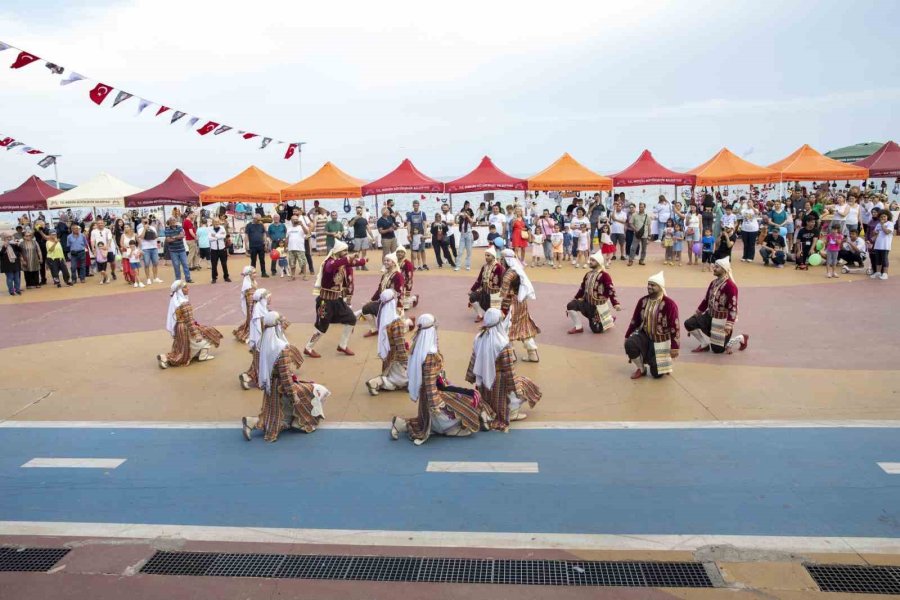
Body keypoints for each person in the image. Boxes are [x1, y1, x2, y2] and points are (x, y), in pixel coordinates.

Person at [391, 314, 490, 444]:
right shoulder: (430, 355)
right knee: (465, 404)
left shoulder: (419, 346)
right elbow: (430, 383)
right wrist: (436, 404)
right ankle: (449, 428)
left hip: (427, 394)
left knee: (427, 419)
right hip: (434, 396)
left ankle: (401, 424)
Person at [241, 311, 330, 442]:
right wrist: (293, 394)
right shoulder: (281, 347)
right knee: (314, 390)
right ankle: (299, 423)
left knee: (274, 414)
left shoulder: (262, 343)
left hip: (270, 385)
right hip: (281, 386)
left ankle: (253, 421)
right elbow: (285, 374)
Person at [465, 308, 542, 430]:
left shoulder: (478, 338)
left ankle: (488, 410)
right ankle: (512, 411)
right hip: (500, 381)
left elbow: (473, 360)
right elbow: (509, 370)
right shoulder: (502, 343)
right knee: (526, 384)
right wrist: (516, 388)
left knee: (493, 392)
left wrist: (470, 376)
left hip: (482, 381)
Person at [304, 241, 366, 358]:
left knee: (351, 319)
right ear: (337, 252)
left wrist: (362, 261)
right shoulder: (329, 263)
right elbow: (332, 266)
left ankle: (342, 345)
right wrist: (348, 259)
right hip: (325, 302)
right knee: (322, 327)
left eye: (347, 251)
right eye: (344, 251)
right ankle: (308, 347)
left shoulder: (341, 262)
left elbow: (351, 262)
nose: (346, 253)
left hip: (337, 300)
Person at [685, 258, 749, 355]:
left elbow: (733, 307)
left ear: (724, 269)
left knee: (717, 350)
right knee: (689, 323)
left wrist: (729, 324)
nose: (714, 268)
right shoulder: (713, 283)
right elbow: (706, 300)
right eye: (714, 266)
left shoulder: (731, 286)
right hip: (709, 316)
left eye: (717, 267)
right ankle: (704, 344)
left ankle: (741, 338)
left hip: (721, 321)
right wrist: (696, 313)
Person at [624, 272, 680, 380]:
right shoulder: (643, 301)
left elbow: (675, 326)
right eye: (648, 284)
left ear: (660, 287)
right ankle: (641, 368)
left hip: (661, 341)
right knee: (630, 344)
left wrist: (675, 347)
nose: (649, 287)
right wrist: (627, 336)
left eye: (653, 285)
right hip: (645, 336)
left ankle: (665, 361)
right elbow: (634, 320)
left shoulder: (669, 304)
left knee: (656, 374)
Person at [157, 280, 222, 369]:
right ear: (180, 290)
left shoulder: (176, 301)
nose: (188, 288)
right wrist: (197, 334)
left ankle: (165, 357)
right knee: (208, 335)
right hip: (185, 328)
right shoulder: (185, 303)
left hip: (178, 327)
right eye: (185, 287)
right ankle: (167, 358)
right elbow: (190, 321)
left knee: (181, 348)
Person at [499, 248, 541, 362]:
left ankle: (510, 355)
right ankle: (532, 354)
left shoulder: (509, 273)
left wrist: (500, 305)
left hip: (512, 303)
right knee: (524, 327)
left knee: (507, 327)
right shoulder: (517, 270)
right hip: (521, 302)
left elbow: (504, 292)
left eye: (501, 258)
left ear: (506, 260)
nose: (500, 260)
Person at [365, 289, 410, 395]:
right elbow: (400, 343)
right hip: (396, 358)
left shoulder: (383, 318)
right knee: (404, 381)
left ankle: (381, 380)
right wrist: (405, 361)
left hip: (388, 356)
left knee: (397, 378)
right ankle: (374, 383)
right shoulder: (396, 322)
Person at [566, 251, 621, 334]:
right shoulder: (588, 274)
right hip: (586, 303)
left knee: (597, 330)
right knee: (570, 305)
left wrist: (615, 303)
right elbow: (582, 288)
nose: (590, 262)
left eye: (593, 261)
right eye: (590, 260)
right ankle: (578, 327)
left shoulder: (605, 275)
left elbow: (610, 290)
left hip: (597, 308)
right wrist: (575, 299)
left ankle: (608, 318)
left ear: (598, 262)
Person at [357, 253, 405, 337]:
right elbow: (379, 290)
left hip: (392, 306)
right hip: (382, 304)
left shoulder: (398, 276)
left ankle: (409, 323)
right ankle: (374, 329)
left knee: (395, 330)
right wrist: (371, 300)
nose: (385, 262)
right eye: (385, 260)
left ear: (394, 263)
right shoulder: (385, 275)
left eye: (388, 261)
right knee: (366, 308)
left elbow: (400, 293)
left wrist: (399, 307)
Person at [468, 247, 504, 322]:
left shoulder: (499, 267)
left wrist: (503, 293)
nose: (486, 257)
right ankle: (480, 315)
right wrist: (472, 290)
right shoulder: (484, 267)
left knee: (495, 317)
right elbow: (479, 280)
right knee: (472, 297)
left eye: (488, 255)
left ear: (493, 256)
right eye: (485, 255)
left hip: (495, 293)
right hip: (484, 292)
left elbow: (503, 281)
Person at [233, 266, 258, 343]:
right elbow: (250, 300)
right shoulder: (248, 286)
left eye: (255, 272)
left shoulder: (252, 282)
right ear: (249, 275)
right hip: (252, 306)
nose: (255, 274)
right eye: (254, 273)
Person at [163, 217, 191, 283]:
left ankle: (188, 278)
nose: (173, 222)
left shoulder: (180, 227)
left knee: (185, 264)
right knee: (176, 265)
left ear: (175, 221)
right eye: (171, 221)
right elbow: (168, 240)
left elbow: (182, 236)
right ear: (169, 222)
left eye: (174, 220)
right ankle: (178, 279)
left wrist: (173, 237)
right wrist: (177, 237)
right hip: (173, 251)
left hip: (181, 250)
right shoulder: (167, 230)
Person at [137, 218, 162, 285]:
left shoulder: (153, 228)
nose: (146, 222)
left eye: (147, 221)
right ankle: (148, 279)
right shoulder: (140, 229)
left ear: (148, 221)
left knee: (155, 263)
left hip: (154, 247)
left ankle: (155, 278)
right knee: (147, 264)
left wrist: (152, 232)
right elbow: (141, 237)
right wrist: (145, 229)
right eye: (144, 221)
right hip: (145, 248)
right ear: (142, 222)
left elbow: (156, 236)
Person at [284, 214, 310, 281]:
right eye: (294, 219)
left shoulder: (301, 227)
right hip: (291, 249)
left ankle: (305, 275)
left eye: (296, 219)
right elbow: (287, 238)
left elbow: (307, 232)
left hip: (300, 248)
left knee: (303, 263)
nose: (295, 220)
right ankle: (293, 276)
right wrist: (285, 247)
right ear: (291, 221)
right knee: (292, 263)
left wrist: (302, 225)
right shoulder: (289, 228)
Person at [870, 209, 894, 280]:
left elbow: (887, 232)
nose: (883, 218)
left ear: (888, 216)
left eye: (884, 216)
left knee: (884, 259)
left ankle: (885, 273)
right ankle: (878, 272)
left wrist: (882, 225)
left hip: (885, 245)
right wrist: (874, 232)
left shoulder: (890, 223)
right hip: (878, 245)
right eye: (881, 217)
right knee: (878, 259)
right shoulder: (878, 224)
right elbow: (874, 233)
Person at [244, 213, 268, 278]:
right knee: (253, 260)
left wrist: (265, 243)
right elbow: (246, 236)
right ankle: (252, 273)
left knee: (262, 260)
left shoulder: (261, 225)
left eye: (259, 219)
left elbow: (264, 234)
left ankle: (263, 273)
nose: (259, 221)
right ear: (254, 219)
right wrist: (246, 245)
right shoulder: (249, 225)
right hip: (253, 246)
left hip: (261, 245)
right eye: (258, 219)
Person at [406, 200, 428, 271]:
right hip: (413, 235)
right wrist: (409, 234)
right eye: (414, 205)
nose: (416, 206)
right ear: (413, 206)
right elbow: (408, 224)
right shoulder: (410, 214)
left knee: (422, 249)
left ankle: (424, 264)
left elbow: (424, 223)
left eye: (417, 205)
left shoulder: (422, 213)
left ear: (419, 205)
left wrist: (425, 232)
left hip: (421, 234)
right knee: (413, 250)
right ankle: (413, 265)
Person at [395, 246, 418, 310]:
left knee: (405, 304)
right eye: (398, 252)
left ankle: (414, 298)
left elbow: (410, 275)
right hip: (397, 281)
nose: (400, 253)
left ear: (404, 253)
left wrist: (406, 283)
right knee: (399, 295)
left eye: (402, 252)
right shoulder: (395, 262)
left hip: (406, 282)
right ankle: (413, 298)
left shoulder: (408, 263)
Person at [209, 218, 230, 283]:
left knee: (224, 264)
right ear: (213, 223)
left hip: (222, 249)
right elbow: (209, 238)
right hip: (214, 249)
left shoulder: (222, 228)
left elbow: (223, 236)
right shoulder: (210, 229)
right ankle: (214, 278)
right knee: (214, 264)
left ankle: (226, 277)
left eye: (218, 222)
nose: (217, 223)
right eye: (215, 222)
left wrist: (215, 236)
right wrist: (218, 236)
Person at [456, 202, 475, 270]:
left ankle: (468, 265)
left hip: (469, 235)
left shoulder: (469, 219)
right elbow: (455, 221)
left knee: (469, 251)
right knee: (460, 251)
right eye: (463, 213)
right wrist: (457, 215)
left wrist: (467, 215)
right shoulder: (461, 220)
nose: (463, 214)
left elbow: (472, 222)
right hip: (462, 236)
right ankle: (458, 265)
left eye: (465, 213)